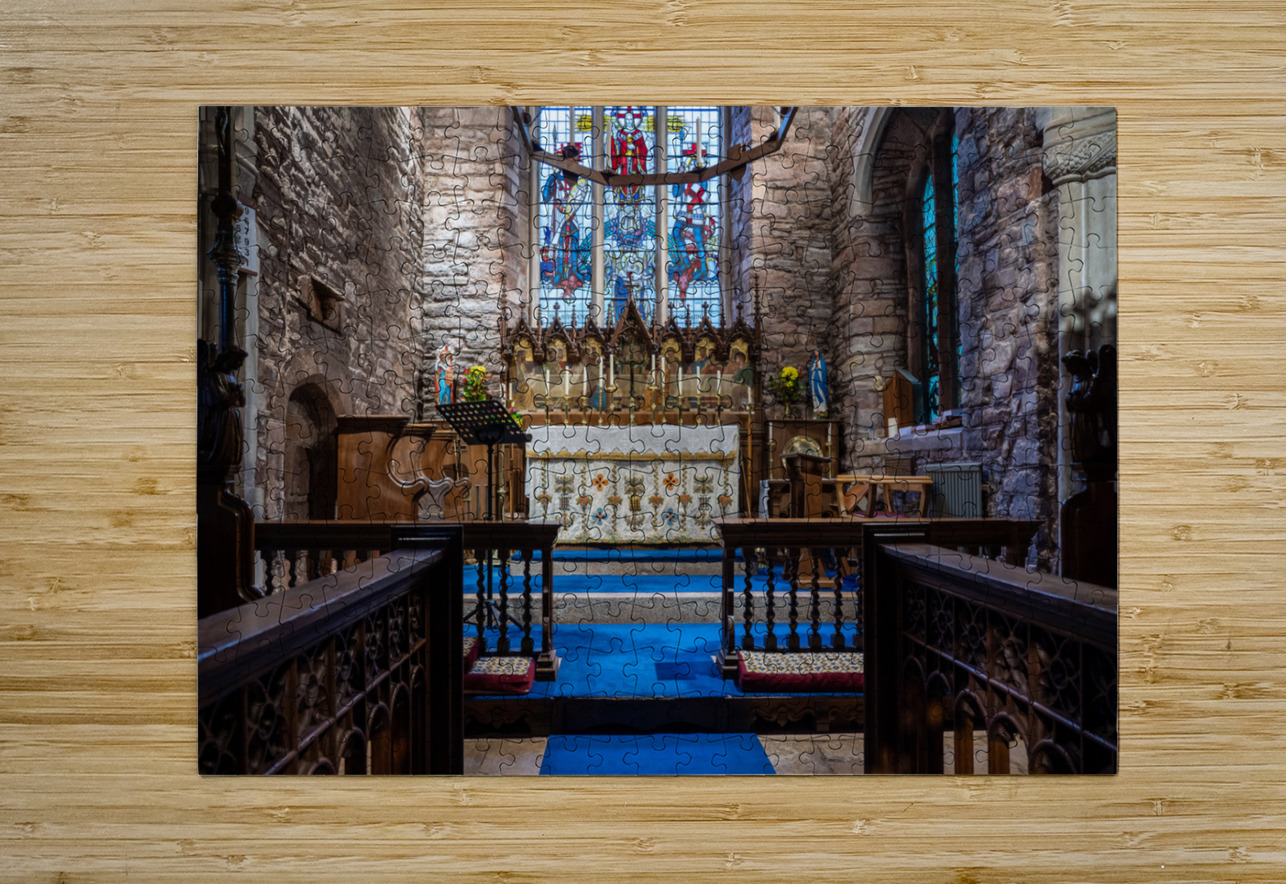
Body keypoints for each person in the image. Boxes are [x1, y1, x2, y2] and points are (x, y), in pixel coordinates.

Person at [808, 348, 828, 417]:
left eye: (816, 352)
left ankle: (823, 409)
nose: (815, 353)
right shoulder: (813, 362)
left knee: (821, 392)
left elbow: (824, 370)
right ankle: (816, 409)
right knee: (814, 393)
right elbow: (810, 371)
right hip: (814, 379)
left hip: (820, 379)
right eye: (814, 352)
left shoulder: (822, 362)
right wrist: (814, 367)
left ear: (819, 352)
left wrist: (818, 366)